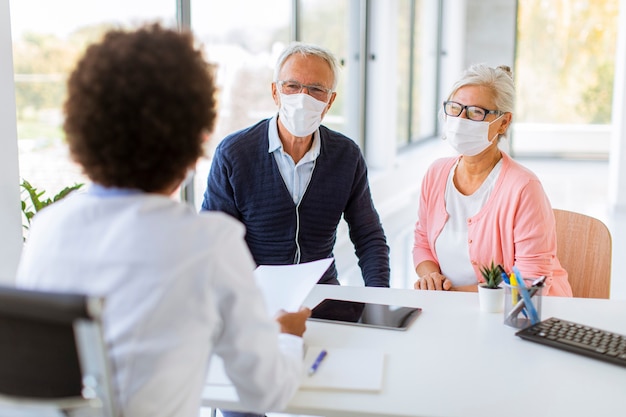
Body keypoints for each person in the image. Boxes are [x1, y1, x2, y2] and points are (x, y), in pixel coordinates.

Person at [16, 24, 311, 417]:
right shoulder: (208, 244)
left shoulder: (48, 229)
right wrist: (288, 337)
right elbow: (265, 394)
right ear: (196, 141)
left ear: (82, 130)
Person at [201, 42, 390, 288]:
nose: (303, 98)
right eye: (292, 86)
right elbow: (213, 242)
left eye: (316, 89)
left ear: (330, 101)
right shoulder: (234, 154)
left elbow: (368, 236)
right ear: (275, 92)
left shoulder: (346, 155)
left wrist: (379, 300)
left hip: (322, 291)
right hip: (253, 295)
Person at [412, 63, 572, 296]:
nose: (461, 119)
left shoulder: (524, 188)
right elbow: (423, 243)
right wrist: (431, 279)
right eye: (455, 108)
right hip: (450, 306)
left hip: (522, 315)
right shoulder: (436, 173)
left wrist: (452, 294)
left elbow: (531, 283)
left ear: (504, 122)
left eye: (476, 112)